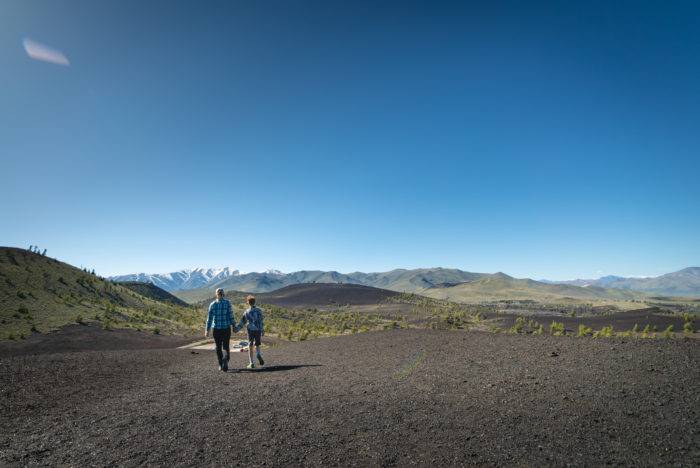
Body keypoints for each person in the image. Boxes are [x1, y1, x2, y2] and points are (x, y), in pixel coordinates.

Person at [205, 288, 235, 372]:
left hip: (216, 329)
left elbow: (209, 318)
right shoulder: (227, 303)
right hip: (226, 328)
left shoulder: (212, 304)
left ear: (216, 294)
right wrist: (234, 325)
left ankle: (220, 364)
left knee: (218, 347)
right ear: (223, 294)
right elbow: (231, 315)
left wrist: (207, 330)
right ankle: (225, 358)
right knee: (226, 346)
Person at [235, 295, 265, 369]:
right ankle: (258, 354)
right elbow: (261, 321)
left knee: (250, 345)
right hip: (258, 329)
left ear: (248, 302)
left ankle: (251, 363)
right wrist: (262, 329)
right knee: (257, 344)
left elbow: (242, 322)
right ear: (254, 302)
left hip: (250, 330)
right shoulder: (259, 310)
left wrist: (237, 329)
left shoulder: (246, 312)